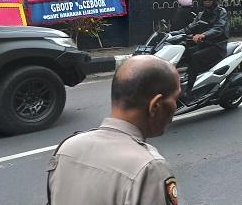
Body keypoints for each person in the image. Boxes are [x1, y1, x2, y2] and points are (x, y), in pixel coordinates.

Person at [47, 55, 181, 205]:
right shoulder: (149, 168)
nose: (176, 106)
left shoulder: (66, 148)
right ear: (154, 106)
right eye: (175, 99)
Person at [181, 0, 230, 103]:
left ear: (215, 0)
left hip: (217, 47)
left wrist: (204, 35)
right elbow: (191, 27)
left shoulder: (221, 12)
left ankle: (189, 91)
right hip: (204, 46)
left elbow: (218, 28)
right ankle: (185, 79)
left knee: (196, 57)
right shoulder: (201, 14)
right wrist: (173, 34)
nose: (207, 1)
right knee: (185, 52)